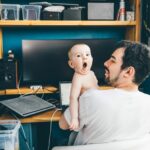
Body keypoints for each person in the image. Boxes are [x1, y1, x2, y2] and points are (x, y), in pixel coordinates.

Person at [59, 40, 150, 148]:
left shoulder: (91, 98)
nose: (105, 63)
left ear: (128, 72)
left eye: (113, 61)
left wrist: (80, 99)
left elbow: (63, 124)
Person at [68, 43, 98, 130]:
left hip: (95, 108)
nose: (85, 57)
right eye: (78, 56)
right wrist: (74, 118)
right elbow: (73, 98)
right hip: (86, 111)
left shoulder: (92, 73)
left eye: (87, 54)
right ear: (71, 64)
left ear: (92, 59)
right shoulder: (78, 77)